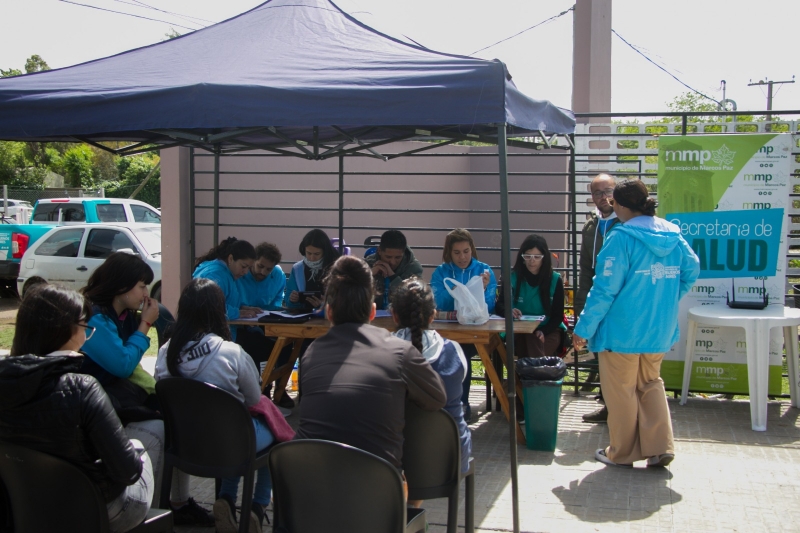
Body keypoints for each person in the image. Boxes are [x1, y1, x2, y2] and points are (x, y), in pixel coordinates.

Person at [0, 285, 153, 532]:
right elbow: (128, 472)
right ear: (68, 331)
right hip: (91, 510)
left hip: (24, 508)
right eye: (85, 327)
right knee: (141, 449)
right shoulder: (81, 388)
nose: (87, 335)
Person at [572, 179, 700, 468]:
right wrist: (664, 298)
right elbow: (691, 270)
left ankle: (622, 452)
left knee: (621, 391)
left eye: (613, 202)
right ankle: (659, 448)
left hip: (622, 332)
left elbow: (604, 289)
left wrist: (583, 328)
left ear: (619, 205)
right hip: (658, 329)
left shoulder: (620, 237)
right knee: (650, 383)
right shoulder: (672, 233)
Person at [81, 252, 212, 526]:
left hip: (115, 397)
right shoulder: (94, 317)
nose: (145, 293)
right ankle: (146, 510)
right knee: (158, 432)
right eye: (141, 286)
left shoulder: (124, 314)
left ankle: (177, 502)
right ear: (121, 286)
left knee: (176, 421)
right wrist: (145, 324)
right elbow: (123, 364)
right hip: (96, 405)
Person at [295, 256, 447, 471]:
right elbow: (437, 400)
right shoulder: (400, 352)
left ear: (329, 312)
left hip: (309, 487)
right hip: (376, 492)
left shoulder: (310, 354)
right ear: (373, 312)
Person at [156, 278, 275, 533]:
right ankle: (256, 507)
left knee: (234, 428)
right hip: (229, 443)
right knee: (276, 436)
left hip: (183, 444)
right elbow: (254, 399)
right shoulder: (232, 352)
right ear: (218, 311)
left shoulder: (165, 351)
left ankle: (227, 501)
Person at [194, 237, 294, 410]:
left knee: (280, 346)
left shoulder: (226, 272)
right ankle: (258, 394)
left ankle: (267, 390)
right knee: (258, 351)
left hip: (223, 336)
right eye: (245, 266)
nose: (247, 272)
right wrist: (236, 311)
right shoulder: (216, 274)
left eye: (249, 267)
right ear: (231, 259)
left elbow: (224, 301)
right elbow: (211, 306)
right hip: (216, 339)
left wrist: (240, 307)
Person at [389, 277, 472, 473]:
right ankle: (415, 502)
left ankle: (409, 500)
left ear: (393, 315)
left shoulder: (379, 353)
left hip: (396, 462)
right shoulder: (455, 352)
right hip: (450, 460)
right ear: (433, 315)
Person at [430, 228, 497, 422]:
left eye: (466, 251)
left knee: (462, 351)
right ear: (448, 253)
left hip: (475, 333)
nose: (462, 257)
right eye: (457, 252)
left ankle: (462, 403)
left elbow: (490, 306)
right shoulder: (441, 272)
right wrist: (466, 294)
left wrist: (482, 288)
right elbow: (440, 302)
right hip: (446, 331)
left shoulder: (484, 270)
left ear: (472, 250)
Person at [575, 173, 619, 424]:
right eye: (598, 193)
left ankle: (616, 407)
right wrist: (582, 305)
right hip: (595, 298)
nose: (604, 197)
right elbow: (585, 269)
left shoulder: (625, 224)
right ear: (592, 197)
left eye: (608, 191)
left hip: (618, 301)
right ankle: (607, 404)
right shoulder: (591, 226)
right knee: (602, 351)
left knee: (616, 354)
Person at [496, 234, 566, 359]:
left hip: (548, 329)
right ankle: (537, 375)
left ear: (544, 258)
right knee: (528, 339)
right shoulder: (512, 277)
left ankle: (525, 376)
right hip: (519, 329)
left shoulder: (555, 280)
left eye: (537, 257)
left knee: (533, 342)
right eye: (527, 256)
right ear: (522, 257)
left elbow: (557, 316)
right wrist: (509, 311)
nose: (532, 260)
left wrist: (543, 331)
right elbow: (500, 305)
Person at [364, 229, 423, 310]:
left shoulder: (414, 268)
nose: (392, 262)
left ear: (404, 253)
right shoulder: (367, 264)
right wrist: (368, 275)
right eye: (388, 257)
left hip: (402, 318)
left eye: (398, 257)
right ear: (379, 251)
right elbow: (353, 295)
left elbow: (415, 301)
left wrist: (393, 277)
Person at [284, 228, 340, 311]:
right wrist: (292, 300)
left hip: (329, 317)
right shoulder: (297, 269)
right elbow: (288, 299)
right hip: (303, 316)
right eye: (308, 253)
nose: (312, 258)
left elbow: (343, 299)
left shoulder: (336, 267)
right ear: (304, 250)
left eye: (317, 254)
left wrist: (324, 304)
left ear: (325, 252)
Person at [239, 242, 286, 310]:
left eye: (269, 269)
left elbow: (278, 298)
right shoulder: (241, 272)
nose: (263, 272)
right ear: (254, 261)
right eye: (260, 266)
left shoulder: (278, 275)